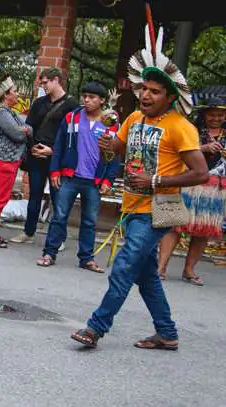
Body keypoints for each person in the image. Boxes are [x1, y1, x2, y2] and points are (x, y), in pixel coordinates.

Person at [70, 27, 208, 350]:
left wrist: (156, 181)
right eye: (144, 89)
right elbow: (115, 151)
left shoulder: (181, 128)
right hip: (131, 207)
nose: (146, 95)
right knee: (145, 275)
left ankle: (95, 327)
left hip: (159, 211)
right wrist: (106, 145)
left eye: (155, 91)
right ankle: (167, 332)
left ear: (170, 97)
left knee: (123, 267)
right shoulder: (134, 118)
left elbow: (200, 172)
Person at [36, 82, 120, 271]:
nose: (87, 100)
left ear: (102, 101)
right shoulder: (71, 117)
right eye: (85, 96)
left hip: (94, 182)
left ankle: (86, 259)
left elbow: (116, 154)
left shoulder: (111, 124)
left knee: (89, 222)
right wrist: (55, 171)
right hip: (70, 177)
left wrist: (108, 180)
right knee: (59, 217)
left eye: (92, 97)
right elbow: (59, 145)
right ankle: (49, 254)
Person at [158, 97, 226, 286]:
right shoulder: (192, 131)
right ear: (204, 115)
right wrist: (203, 147)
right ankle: (161, 266)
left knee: (203, 230)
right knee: (175, 226)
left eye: (220, 115)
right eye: (212, 115)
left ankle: (189, 269)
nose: (216, 119)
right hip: (189, 182)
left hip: (215, 188)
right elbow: (179, 151)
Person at [11, 67, 78, 245]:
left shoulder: (73, 106)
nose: (43, 86)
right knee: (34, 196)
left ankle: (58, 238)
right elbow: (31, 126)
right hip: (36, 156)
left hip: (57, 159)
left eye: (45, 82)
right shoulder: (39, 103)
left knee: (58, 199)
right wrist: (31, 144)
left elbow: (73, 137)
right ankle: (29, 232)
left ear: (56, 80)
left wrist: (53, 150)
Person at [0, 75, 31, 248]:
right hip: (3, 159)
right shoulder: (1, 113)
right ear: (5, 95)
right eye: (14, 91)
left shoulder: (8, 112)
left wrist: (24, 130)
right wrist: (23, 131)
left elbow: (28, 128)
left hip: (6, 159)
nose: (17, 94)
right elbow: (17, 134)